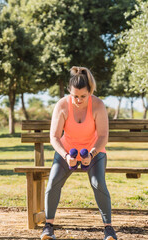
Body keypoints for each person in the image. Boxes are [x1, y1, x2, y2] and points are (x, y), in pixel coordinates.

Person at [40, 66, 117, 240]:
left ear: (90, 92)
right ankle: (48, 227)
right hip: (67, 151)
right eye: (75, 96)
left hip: (94, 152)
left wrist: (91, 153)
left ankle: (109, 229)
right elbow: (54, 137)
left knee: (98, 183)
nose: (79, 100)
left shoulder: (98, 105)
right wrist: (66, 156)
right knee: (53, 182)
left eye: (83, 96)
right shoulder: (62, 105)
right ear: (69, 91)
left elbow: (103, 136)